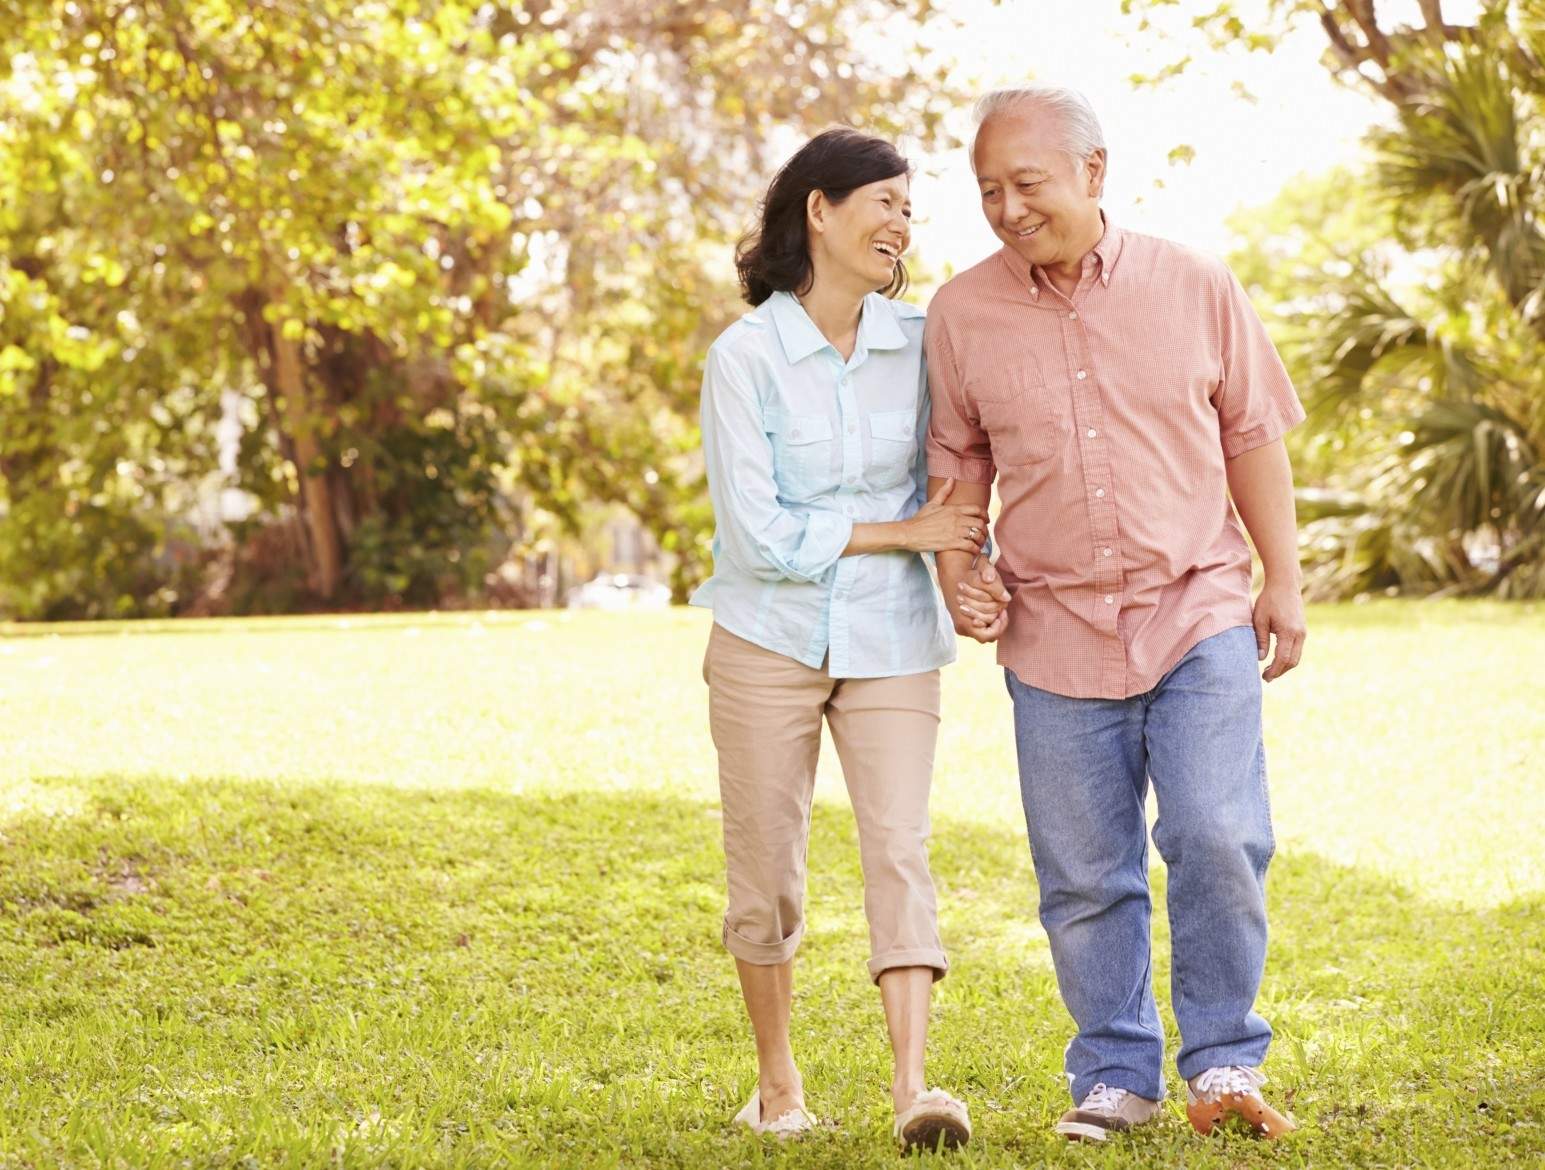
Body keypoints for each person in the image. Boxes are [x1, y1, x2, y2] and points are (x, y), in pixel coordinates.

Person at [927, 85, 1305, 1143]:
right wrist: (964, 569)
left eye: (1027, 183)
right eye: (989, 190)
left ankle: (1225, 1065)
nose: (1007, 207)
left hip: (1198, 610)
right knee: (1085, 874)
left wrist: (1285, 578)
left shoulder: (1195, 284)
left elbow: (1252, 435)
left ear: (1094, 174)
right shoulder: (960, 314)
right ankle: (1116, 1075)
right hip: (1051, 633)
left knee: (1217, 833)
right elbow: (960, 464)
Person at [690, 127, 980, 1151]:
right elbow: (759, 533)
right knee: (768, 870)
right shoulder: (746, 357)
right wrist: (908, 532)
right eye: (886, 202)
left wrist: (960, 564)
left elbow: (961, 465)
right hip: (767, 640)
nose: (903, 223)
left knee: (899, 849)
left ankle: (915, 1090)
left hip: (894, 634)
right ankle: (778, 1083)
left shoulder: (922, 341)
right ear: (820, 209)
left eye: (910, 207)